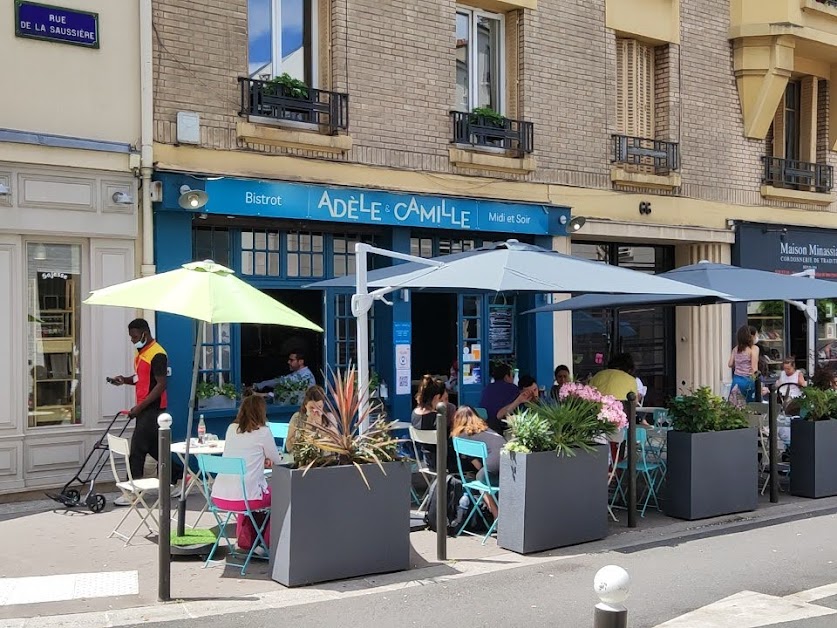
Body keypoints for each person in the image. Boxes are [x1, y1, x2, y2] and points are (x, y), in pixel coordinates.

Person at [109, 318, 183, 505]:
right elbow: (139, 378)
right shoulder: (142, 353)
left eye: (134, 336)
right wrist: (123, 380)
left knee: (136, 450)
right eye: (130, 337)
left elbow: (161, 385)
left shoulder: (158, 354)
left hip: (153, 410)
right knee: (154, 449)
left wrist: (140, 408)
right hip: (144, 408)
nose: (132, 340)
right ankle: (180, 476)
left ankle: (132, 492)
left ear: (145, 333)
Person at [210, 395, 285, 556]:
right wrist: (266, 459)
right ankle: (265, 544)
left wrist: (260, 459)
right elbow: (277, 460)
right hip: (247, 497)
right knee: (282, 496)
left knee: (252, 488)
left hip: (220, 496)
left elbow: (242, 455)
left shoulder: (231, 429)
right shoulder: (263, 432)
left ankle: (247, 540)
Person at [450, 406, 505, 518]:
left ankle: (496, 514)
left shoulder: (461, 436)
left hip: (492, 475)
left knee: (480, 478)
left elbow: (478, 465)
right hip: (509, 471)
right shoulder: (487, 430)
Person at [479, 364, 534, 433]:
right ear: (506, 377)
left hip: (484, 421)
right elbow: (522, 410)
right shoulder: (512, 388)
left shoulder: (487, 388)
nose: (513, 378)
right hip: (500, 425)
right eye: (512, 376)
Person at [286, 385, 336, 453]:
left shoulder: (330, 418)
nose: (315, 411)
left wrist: (320, 428)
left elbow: (336, 444)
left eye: (319, 407)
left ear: (323, 405)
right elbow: (289, 447)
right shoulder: (297, 418)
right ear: (306, 405)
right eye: (311, 408)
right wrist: (307, 429)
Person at [728, 324, 759, 402]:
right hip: (748, 380)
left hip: (736, 380)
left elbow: (730, 364)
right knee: (749, 405)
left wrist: (739, 363)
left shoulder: (736, 349)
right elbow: (754, 368)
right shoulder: (753, 349)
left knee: (735, 403)